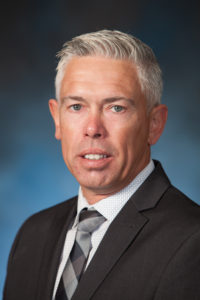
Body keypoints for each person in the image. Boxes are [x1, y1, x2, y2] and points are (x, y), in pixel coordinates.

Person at [3, 30, 200, 300]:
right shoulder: (32, 235)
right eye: (76, 107)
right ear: (57, 119)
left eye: (116, 107)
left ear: (154, 124)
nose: (93, 128)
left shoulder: (192, 241)